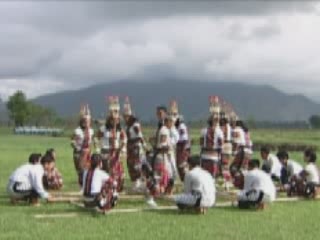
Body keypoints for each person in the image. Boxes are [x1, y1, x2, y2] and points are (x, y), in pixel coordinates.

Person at [97, 96, 127, 192]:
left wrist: (123, 148)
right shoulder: (103, 129)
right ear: (109, 120)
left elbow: (124, 139)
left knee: (118, 172)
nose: (114, 122)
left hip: (116, 154)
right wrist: (97, 148)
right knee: (107, 171)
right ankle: (107, 188)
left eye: (116, 120)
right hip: (106, 153)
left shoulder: (120, 130)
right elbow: (96, 138)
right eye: (112, 120)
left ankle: (117, 187)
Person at [123, 97, 146, 192]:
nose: (125, 118)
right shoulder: (128, 125)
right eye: (124, 117)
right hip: (130, 148)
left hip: (136, 147)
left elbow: (140, 135)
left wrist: (144, 144)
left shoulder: (135, 125)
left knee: (136, 165)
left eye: (126, 116)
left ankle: (139, 185)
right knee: (130, 165)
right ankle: (135, 184)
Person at [200, 96, 224, 178]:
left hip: (204, 157)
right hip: (214, 157)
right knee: (212, 178)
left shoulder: (203, 130)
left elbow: (201, 144)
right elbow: (221, 145)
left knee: (204, 177)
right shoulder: (219, 131)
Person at [71, 104, 94, 186]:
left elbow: (92, 141)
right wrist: (77, 148)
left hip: (88, 153)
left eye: (88, 121)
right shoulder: (77, 131)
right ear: (81, 121)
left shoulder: (91, 131)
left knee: (88, 170)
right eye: (85, 121)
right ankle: (82, 186)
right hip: (79, 153)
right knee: (80, 170)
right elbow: (72, 141)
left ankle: (87, 185)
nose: (86, 123)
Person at [170, 100, 191, 181]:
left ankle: (187, 180)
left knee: (182, 165)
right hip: (180, 147)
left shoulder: (181, 126)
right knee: (180, 166)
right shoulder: (176, 126)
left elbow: (184, 139)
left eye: (174, 115)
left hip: (183, 148)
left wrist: (182, 150)